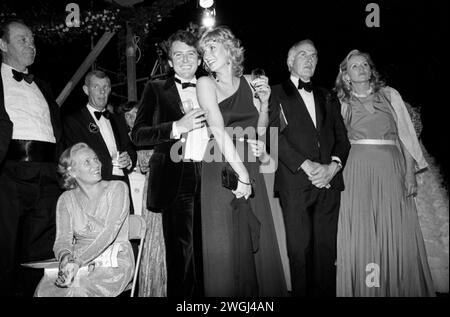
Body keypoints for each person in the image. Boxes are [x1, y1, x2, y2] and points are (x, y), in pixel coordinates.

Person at [334, 49, 435, 296]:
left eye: (365, 64)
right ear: (346, 76)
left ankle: (398, 288)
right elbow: (336, 140)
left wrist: (410, 173)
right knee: (363, 229)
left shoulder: (390, 95)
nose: (362, 68)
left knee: (396, 226)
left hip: (391, 169)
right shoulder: (341, 102)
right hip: (357, 173)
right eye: (355, 66)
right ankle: (368, 289)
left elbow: (406, 135)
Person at [197, 26, 288, 297]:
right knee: (224, 245)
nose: (207, 55)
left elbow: (260, 131)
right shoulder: (205, 83)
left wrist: (266, 102)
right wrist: (242, 176)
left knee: (258, 244)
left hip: (249, 163)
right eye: (204, 51)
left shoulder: (251, 81)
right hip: (221, 166)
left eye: (213, 48)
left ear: (230, 50)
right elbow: (216, 127)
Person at [269, 39, 351, 297]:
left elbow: (342, 139)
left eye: (314, 55)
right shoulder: (273, 93)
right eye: (302, 54)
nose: (309, 59)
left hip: (329, 183)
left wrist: (333, 167)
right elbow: (272, 135)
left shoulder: (328, 94)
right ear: (289, 61)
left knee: (326, 252)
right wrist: (306, 165)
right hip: (295, 183)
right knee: (299, 252)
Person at [131, 30, 206, 297]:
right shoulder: (155, 88)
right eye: (178, 55)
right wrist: (176, 127)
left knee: (210, 249)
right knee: (180, 252)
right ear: (170, 62)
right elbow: (137, 134)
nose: (185, 60)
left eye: (191, 54)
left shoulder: (213, 88)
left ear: (199, 60)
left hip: (211, 171)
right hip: (177, 173)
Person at [0, 18, 63, 296]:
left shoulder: (44, 86)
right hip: (9, 174)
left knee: (40, 253)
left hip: (48, 175)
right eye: (22, 39)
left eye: (32, 40)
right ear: (2, 45)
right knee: (5, 249)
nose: (31, 45)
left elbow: (57, 131)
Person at [34, 143, 134, 297]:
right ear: (72, 171)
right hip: (77, 260)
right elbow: (62, 241)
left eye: (95, 159)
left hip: (113, 259)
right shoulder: (66, 199)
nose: (96, 164)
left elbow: (109, 233)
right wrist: (65, 259)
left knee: (79, 290)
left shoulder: (117, 188)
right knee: (44, 290)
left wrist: (79, 261)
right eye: (87, 162)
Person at [63, 70, 137, 212]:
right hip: (94, 191)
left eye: (106, 87)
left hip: (122, 187)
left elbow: (130, 149)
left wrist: (129, 160)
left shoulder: (118, 119)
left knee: (127, 232)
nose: (102, 91)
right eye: (96, 87)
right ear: (86, 90)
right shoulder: (74, 122)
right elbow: (76, 161)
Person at [405, 102, 448, 294]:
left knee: (424, 215)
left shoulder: (398, 101)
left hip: (410, 158)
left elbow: (415, 127)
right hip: (389, 159)